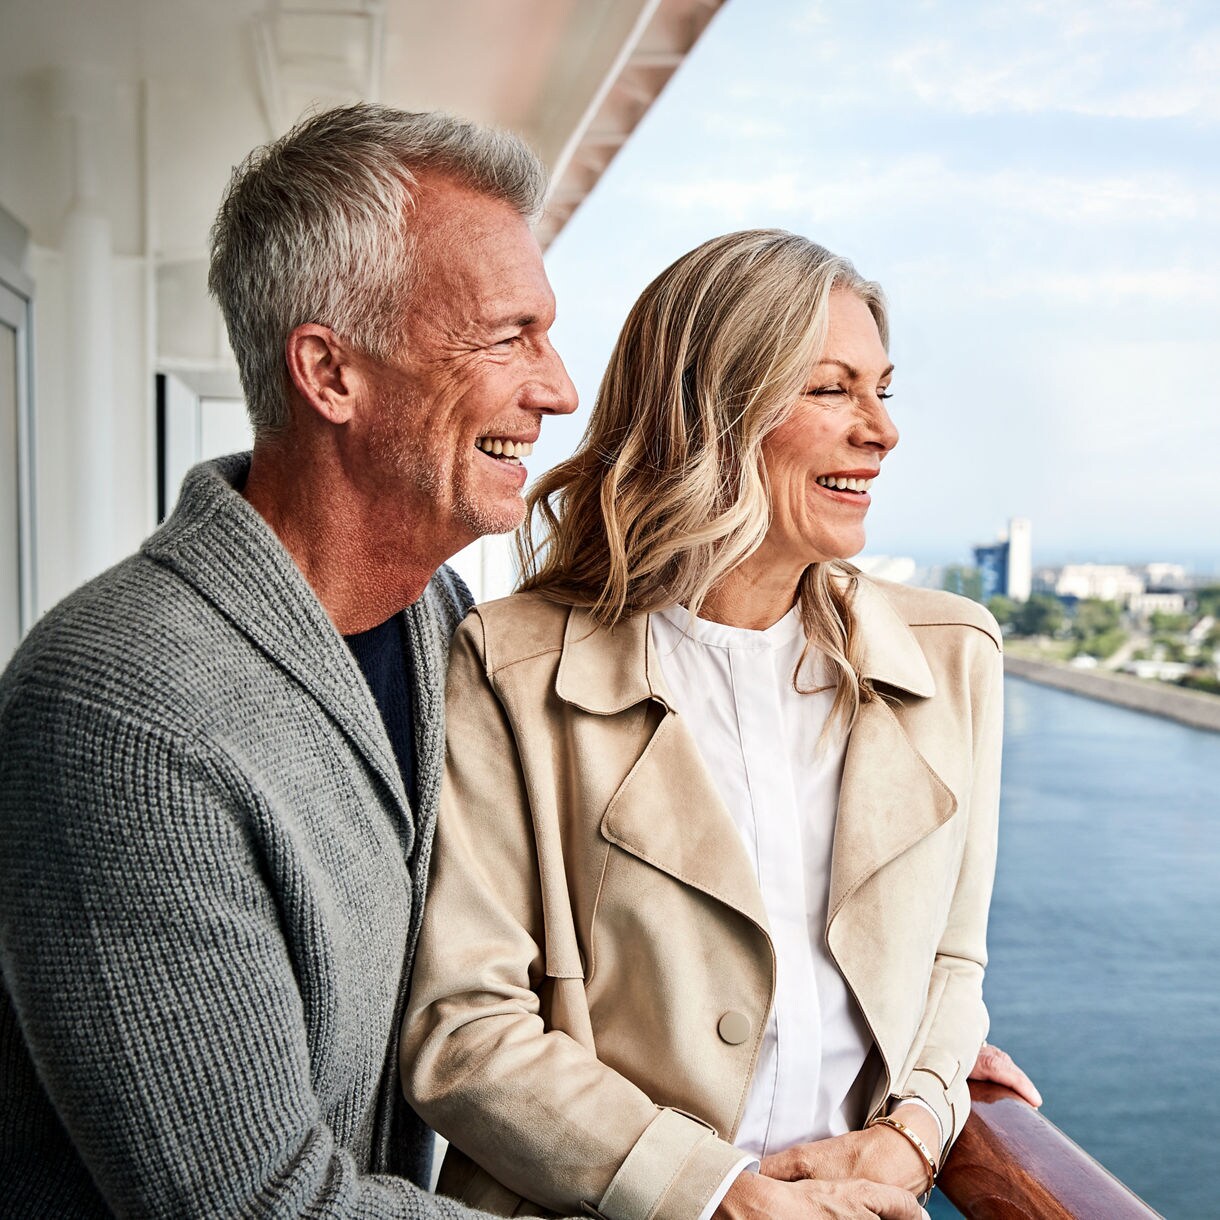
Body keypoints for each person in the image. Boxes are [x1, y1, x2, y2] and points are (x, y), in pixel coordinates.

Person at [0, 103, 576, 1215]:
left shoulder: (437, 619)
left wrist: (893, 1053)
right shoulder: (118, 711)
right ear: (330, 372)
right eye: (509, 334)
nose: (556, 387)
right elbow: (260, 1204)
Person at [402, 230, 1021, 1220]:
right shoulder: (510, 665)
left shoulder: (952, 656)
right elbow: (462, 1029)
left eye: (881, 390)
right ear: (709, 410)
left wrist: (918, 1126)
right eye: (829, 389)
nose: (880, 431)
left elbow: (951, 960)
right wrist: (714, 1191)